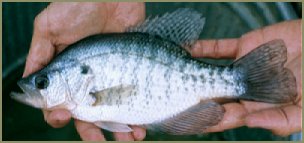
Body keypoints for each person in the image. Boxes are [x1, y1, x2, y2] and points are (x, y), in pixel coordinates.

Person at [23, 2, 301, 141]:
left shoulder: (84, 104)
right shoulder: (81, 103)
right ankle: (242, 82)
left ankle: (239, 82)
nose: (37, 87)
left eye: (43, 81)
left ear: (76, 75)